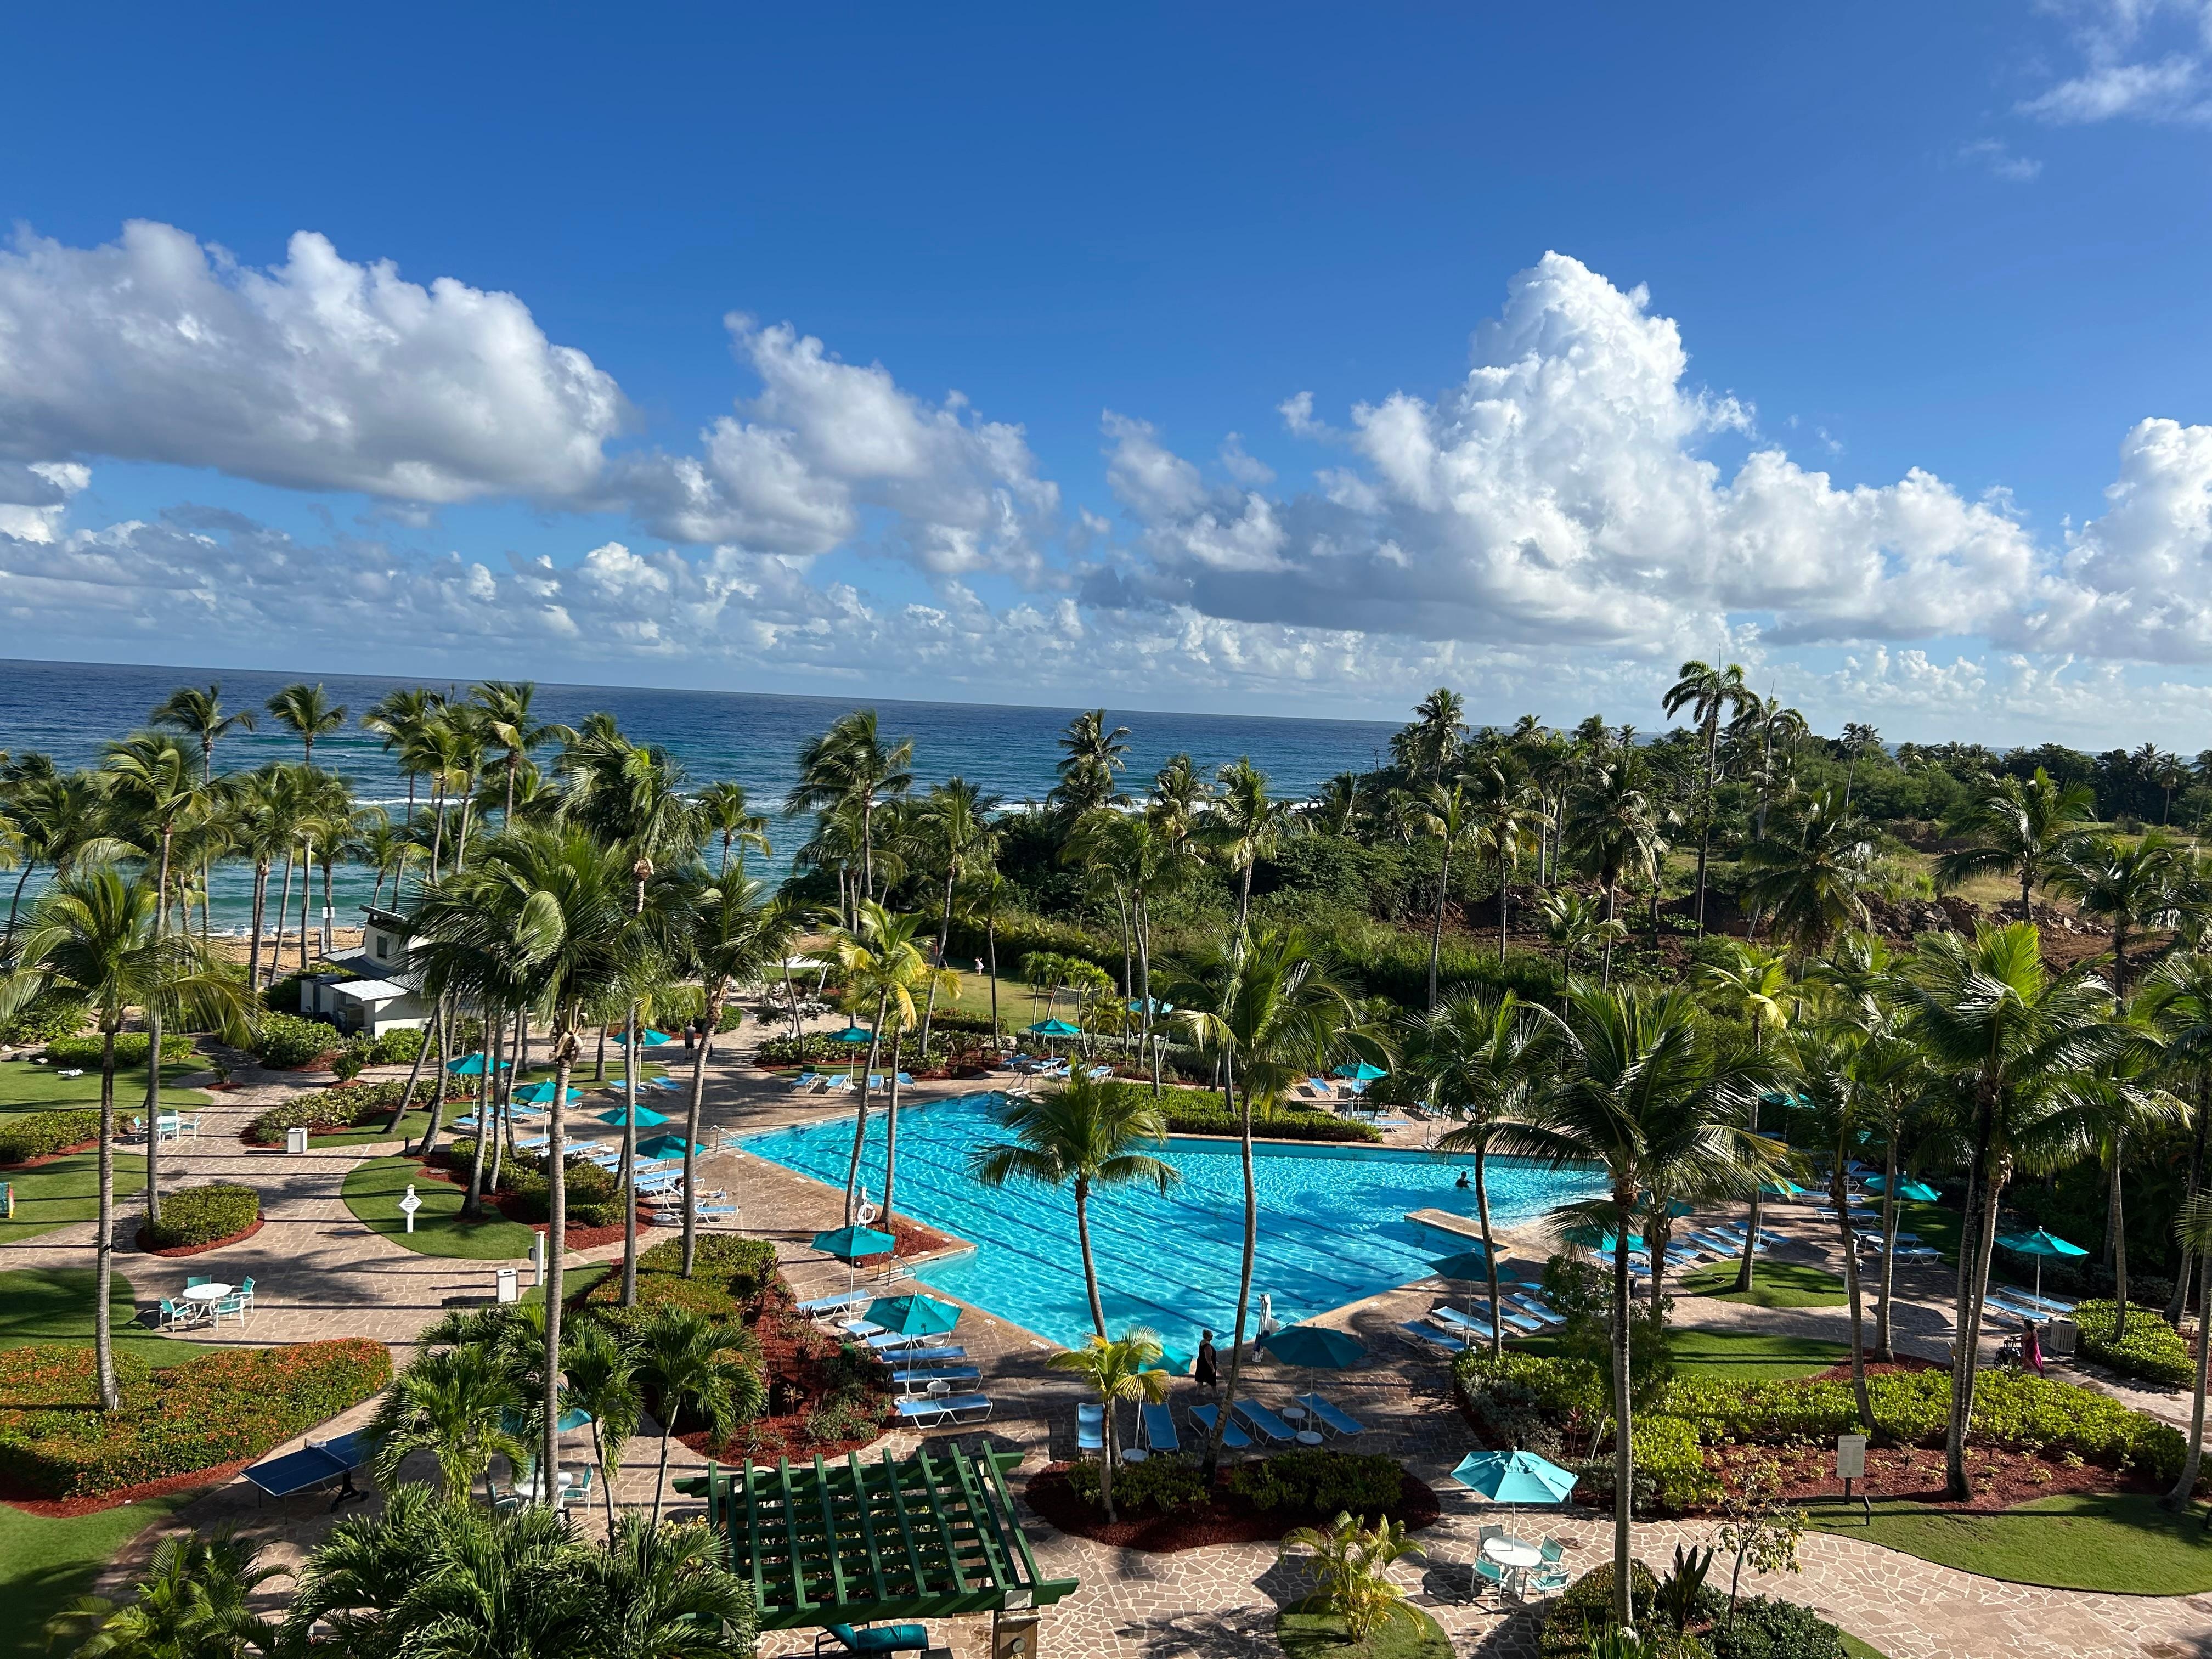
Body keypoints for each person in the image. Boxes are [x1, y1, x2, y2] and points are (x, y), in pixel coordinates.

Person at [1194, 1330, 1218, 1395]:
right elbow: (1208, 1358)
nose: (1212, 1337)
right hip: (1206, 1365)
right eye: (1211, 1336)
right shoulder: (1207, 1346)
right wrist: (1212, 1367)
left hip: (1201, 1363)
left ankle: (1198, 1392)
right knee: (1212, 1379)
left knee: (1201, 1378)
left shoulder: (1202, 1341)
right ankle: (1216, 1393)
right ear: (1207, 1337)